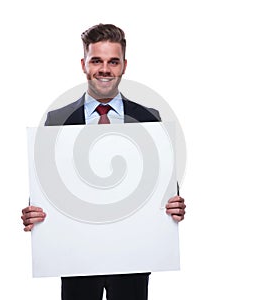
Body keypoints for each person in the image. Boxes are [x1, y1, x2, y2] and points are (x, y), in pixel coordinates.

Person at [21, 23, 186, 300]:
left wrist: (175, 205)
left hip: (133, 255)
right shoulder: (57, 121)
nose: (105, 69)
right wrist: (33, 212)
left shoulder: (149, 118)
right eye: (96, 60)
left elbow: (163, 188)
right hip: (77, 256)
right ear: (83, 64)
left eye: (113, 61)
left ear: (124, 65)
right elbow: (48, 188)